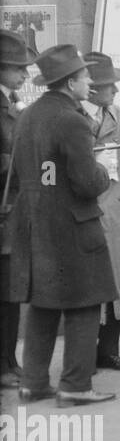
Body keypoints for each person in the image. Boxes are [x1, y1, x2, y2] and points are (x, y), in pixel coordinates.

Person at [6, 45, 116, 405]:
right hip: (72, 226)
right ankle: (75, 385)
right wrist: (104, 169)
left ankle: (33, 383)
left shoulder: (27, 116)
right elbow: (87, 183)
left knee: (43, 304)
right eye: (85, 76)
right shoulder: (72, 120)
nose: (90, 82)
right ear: (70, 83)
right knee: (85, 303)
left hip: (33, 224)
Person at [80, 53, 120, 372]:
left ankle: (109, 350)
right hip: (88, 213)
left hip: (117, 212)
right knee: (92, 287)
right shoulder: (75, 118)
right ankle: (83, 356)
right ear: (91, 89)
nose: (116, 91)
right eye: (109, 86)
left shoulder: (118, 115)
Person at [0, 29, 36, 388]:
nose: (25, 74)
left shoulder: (12, 104)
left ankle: (9, 361)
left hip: (12, 212)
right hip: (4, 210)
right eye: (18, 68)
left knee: (10, 294)